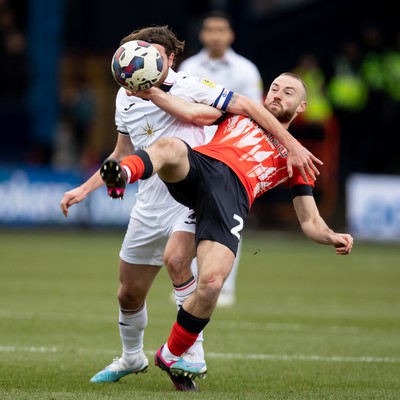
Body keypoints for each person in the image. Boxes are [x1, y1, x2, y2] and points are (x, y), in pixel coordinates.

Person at [60, 25, 320, 392]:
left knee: (179, 262)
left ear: (167, 59)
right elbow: (120, 154)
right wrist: (86, 188)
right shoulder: (124, 97)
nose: (138, 62)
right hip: (148, 199)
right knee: (128, 293)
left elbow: (206, 116)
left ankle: (188, 357)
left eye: (148, 53)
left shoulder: (190, 84)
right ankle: (132, 357)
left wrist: (156, 95)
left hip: (192, 191)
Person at [100, 72, 353, 388]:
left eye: (287, 92)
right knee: (171, 147)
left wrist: (331, 235)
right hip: (201, 168)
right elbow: (193, 112)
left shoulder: (297, 156)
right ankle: (123, 172)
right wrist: (154, 94)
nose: (277, 94)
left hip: (230, 199)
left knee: (210, 282)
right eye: (274, 88)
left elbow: (310, 221)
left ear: (301, 107)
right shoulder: (236, 113)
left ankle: (173, 354)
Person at [178, 10, 264, 307]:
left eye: (221, 30)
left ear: (230, 35)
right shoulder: (189, 66)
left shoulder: (246, 70)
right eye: (210, 29)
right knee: (191, 217)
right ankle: (191, 283)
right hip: (196, 149)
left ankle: (224, 286)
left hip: (232, 155)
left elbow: (255, 112)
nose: (215, 35)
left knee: (230, 221)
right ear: (202, 34)